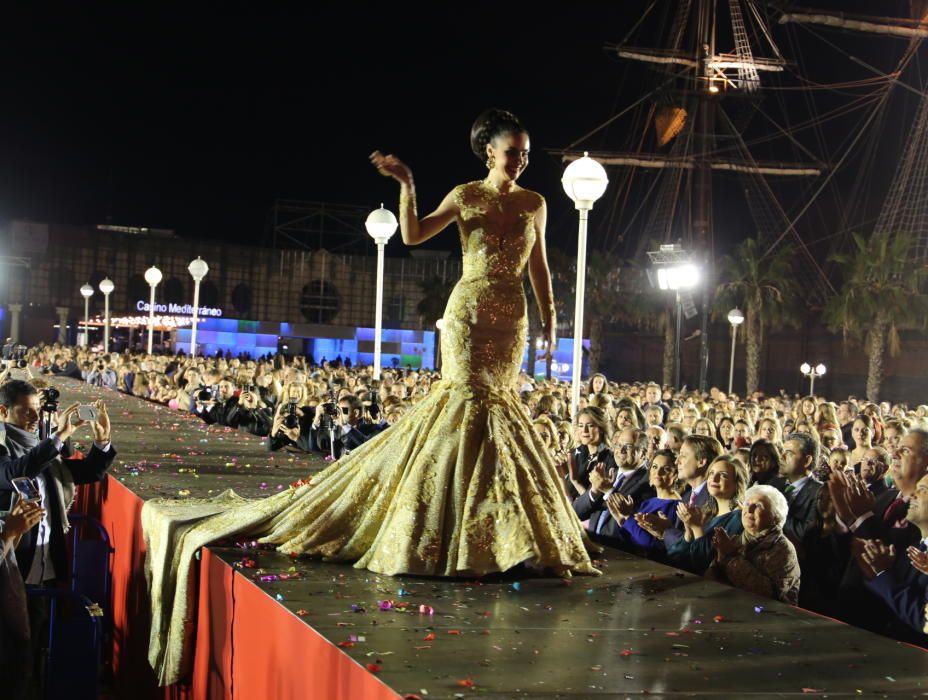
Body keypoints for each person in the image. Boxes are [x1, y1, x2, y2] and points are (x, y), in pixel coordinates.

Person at [142, 109, 600, 686]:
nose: (522, 160)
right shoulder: (465, 196)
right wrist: (408, 186)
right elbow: (412, 236)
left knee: (500, 414)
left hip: (512, 322)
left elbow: (540, 268)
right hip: (468, 314)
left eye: (527, 153)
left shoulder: (535, 202)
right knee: (466, 408)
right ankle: (445, 536)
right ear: (490, 153)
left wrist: (552, 322)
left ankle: (502, 537)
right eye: (514, 152)